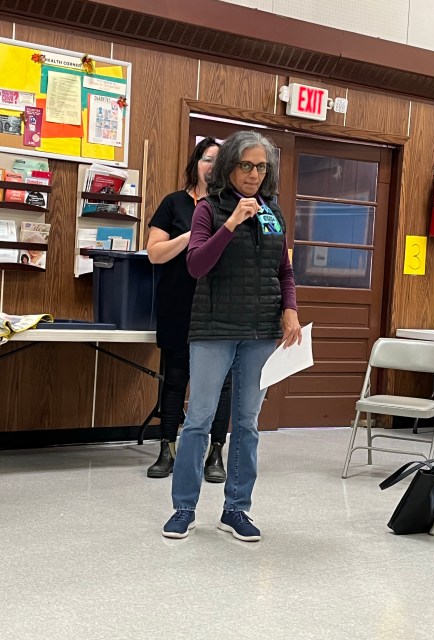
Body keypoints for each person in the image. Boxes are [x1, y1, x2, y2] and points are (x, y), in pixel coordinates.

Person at [162, 130, 301, 541]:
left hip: (261, 332)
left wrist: (290, 311)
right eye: (247, 165)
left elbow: (284, 271)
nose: (255, 174)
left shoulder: (274, 212)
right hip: (213, 330)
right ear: (229, 167)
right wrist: (231, 224)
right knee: (199, 420)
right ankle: (184, 507)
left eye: (261, 167)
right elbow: (196, 265)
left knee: (247, 424)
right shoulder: (208, 209)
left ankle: (236, 509)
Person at [147, 138, 232, 482]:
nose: (211, 166)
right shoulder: (174, 203)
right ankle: (167, 449)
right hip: (178, 304)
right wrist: (190, 235)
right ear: (195, 163)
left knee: (221, 385)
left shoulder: (231, 207)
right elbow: (154, 254)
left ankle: (215, 454)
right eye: (206, 159)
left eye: (218, 161)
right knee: (175, 379)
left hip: (219, 307)